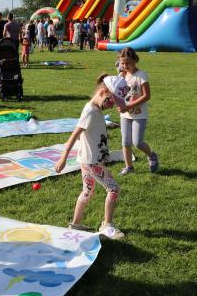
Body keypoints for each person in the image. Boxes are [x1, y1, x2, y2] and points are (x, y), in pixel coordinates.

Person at [55, 73, 123, 240]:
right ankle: (107, 226)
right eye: (110, 101)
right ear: (102, 92)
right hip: (92, 162)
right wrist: (63, 158)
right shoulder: (91, 111)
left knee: (87, 191)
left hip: (88, 160)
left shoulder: (96, 109)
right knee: (114, 189)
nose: (111, 106)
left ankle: (75, 225)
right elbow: (74, 135)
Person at [117, 47, 159, 175]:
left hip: (139, 114)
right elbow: (118, 93)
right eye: (122, 63)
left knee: (137, 142)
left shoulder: (142, 76)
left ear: (135, 60)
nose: (125, 66)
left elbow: (147, 96)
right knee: (125, 142)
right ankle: (129, 167)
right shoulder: (121, 76)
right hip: (125, 114)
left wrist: (129, 106)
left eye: (128, 63)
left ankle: (152, 155)